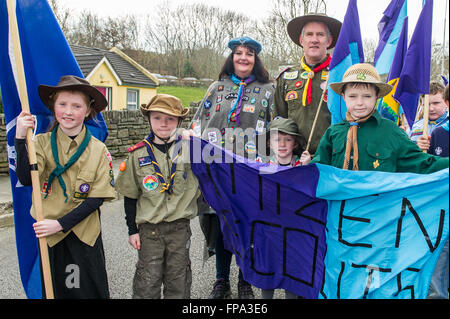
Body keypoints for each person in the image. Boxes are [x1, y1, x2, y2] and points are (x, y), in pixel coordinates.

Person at [14, 75, 116, 299]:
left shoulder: (98, 150)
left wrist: (60, 224)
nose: (68, 112)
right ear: (53, 106)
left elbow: (95, 199)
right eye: (62, 104)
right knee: (56, 292)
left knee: (88, 292)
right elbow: (26, 177)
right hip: (51, 237)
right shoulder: (40, 142)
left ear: (88, 111)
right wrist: (21, 138)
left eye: (76, 106)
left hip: (82, 236)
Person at [191, 36, 274, 299]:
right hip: (219, 170)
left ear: (255, 59)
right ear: (232, 57)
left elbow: (277, 127)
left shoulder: (268, 89)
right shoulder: (216, 88)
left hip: (252, 172)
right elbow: (200, 123)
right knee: (221, 224)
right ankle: (221, 280)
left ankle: (245, 281)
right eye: (238, 53)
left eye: (249, 53)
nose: (243, 58)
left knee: (248, 227)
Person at [114, 94, 200, 299]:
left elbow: (217, 168)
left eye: (170, 119)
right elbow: (130, 196)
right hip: (149, 232)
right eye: (157, 118)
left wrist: (197, 141)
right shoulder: (137, 154)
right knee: (147, 283)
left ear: (179, 121)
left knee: (179, 282)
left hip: (179, 229)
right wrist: (132, 230)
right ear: (149, 119)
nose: (164, 123)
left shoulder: (192, 151)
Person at [311, 63, 449, 174]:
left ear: (377, 97)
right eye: (352, 96)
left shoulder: (392, 132)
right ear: (343, 96)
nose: (359, 102)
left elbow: (424, 164)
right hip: (339, 207)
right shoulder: (333, 133)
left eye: (367, 96)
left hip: (378, 206)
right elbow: (317, 170)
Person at [273, 13, 342, 155]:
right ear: (301, 40)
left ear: (329, 41)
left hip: (330, 159)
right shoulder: (286, 78)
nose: (314, 40)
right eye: (309, 34)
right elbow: (278, 121)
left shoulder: (340, 75)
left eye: (320, 35)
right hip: (294, 159)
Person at [426, 83, 449, 299]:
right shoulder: (439, 133)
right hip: (443, 207)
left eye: (436, 102)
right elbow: (430, 167)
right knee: (440, 254)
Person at [414, 82, 449, 152]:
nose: (431, 109)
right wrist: (416, 147)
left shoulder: (447, 126)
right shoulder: (414, 127)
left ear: (446, 103)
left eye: (436, 103)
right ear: (421, 105)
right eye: (426, 104)